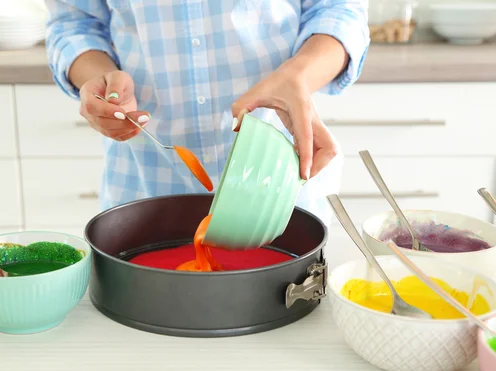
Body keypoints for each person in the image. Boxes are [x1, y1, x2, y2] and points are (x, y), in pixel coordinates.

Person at [44, 0, 370, 225]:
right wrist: (99, 79)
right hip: (143, 196)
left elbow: (338, 9)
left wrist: (299, 74)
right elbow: (75, 23)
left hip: (281, 194)